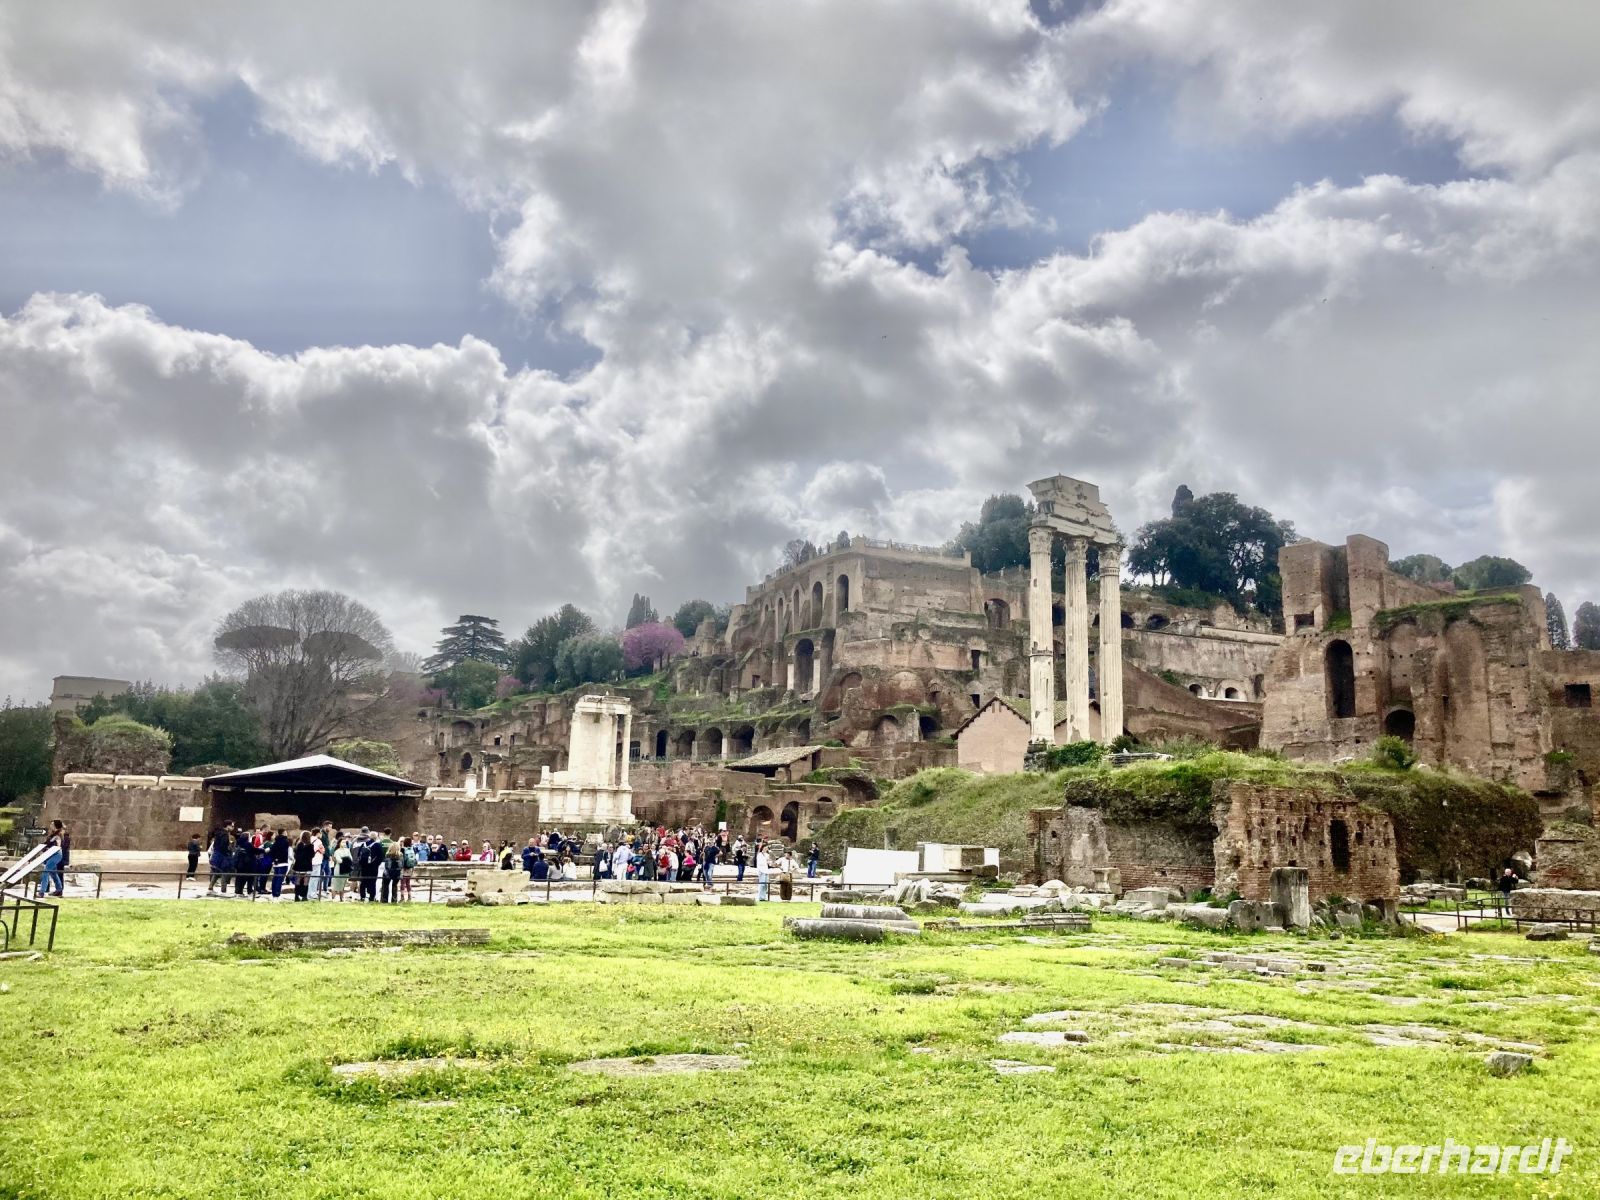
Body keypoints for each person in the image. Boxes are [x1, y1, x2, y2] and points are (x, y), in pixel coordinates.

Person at [34, 830, 64, 898]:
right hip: (51, 854)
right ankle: (59, 889)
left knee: (45, 871)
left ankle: (42, 892)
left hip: (56, 854)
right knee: (53, 873)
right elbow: (46, 844)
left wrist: (46, 847)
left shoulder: (57, 836)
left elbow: (55, 845)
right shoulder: (51, 836)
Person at [206, 823, 234, 893]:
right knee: (224, 872)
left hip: (217, 855)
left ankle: (210, 887)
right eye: (232, 826)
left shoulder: (218, 833)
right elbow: (223, 846)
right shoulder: (224, 834)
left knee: (216, 872)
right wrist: (228, 850)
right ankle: (223, 890)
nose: (233, 827)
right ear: (228, 826)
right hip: (222, 856)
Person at [290, 831, 315, 901]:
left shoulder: (299, 845)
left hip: (298, 865)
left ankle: (296, 896)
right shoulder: (310, 846)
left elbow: (295, 855)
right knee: (305, 882)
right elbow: (312, 855)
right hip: (307, 866)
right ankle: (304, 896)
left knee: (297, 881)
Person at [269, 828, 292, 898]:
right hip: (283, 862)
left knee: (275, 878)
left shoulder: (275, 842)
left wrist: (274, 859)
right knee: (280, 879)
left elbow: (272, 851)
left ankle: (273, 893)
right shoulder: (286, 841)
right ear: (284, 833)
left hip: (276, 863)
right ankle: (277, 894)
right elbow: (285, 852)